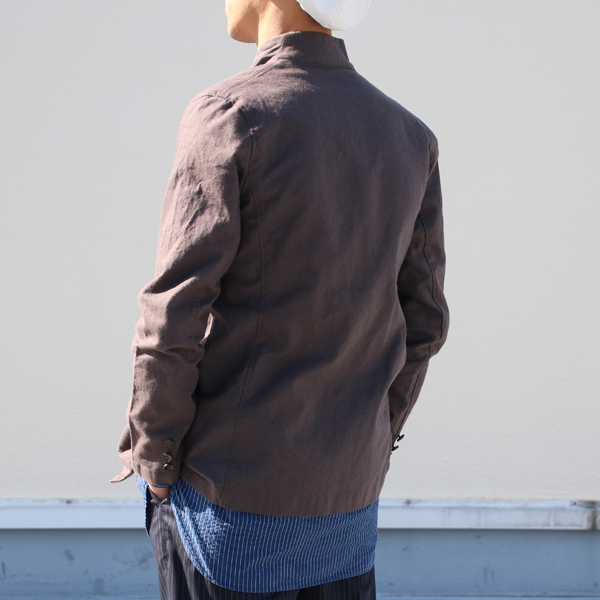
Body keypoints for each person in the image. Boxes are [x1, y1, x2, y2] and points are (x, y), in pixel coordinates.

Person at [111, 0, 450, 598]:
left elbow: (175, 311)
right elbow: (424, 320)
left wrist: (156, 456)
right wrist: (369, 440)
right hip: (346, 498)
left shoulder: (231, 113)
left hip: (227, 499)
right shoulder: (408, 135)